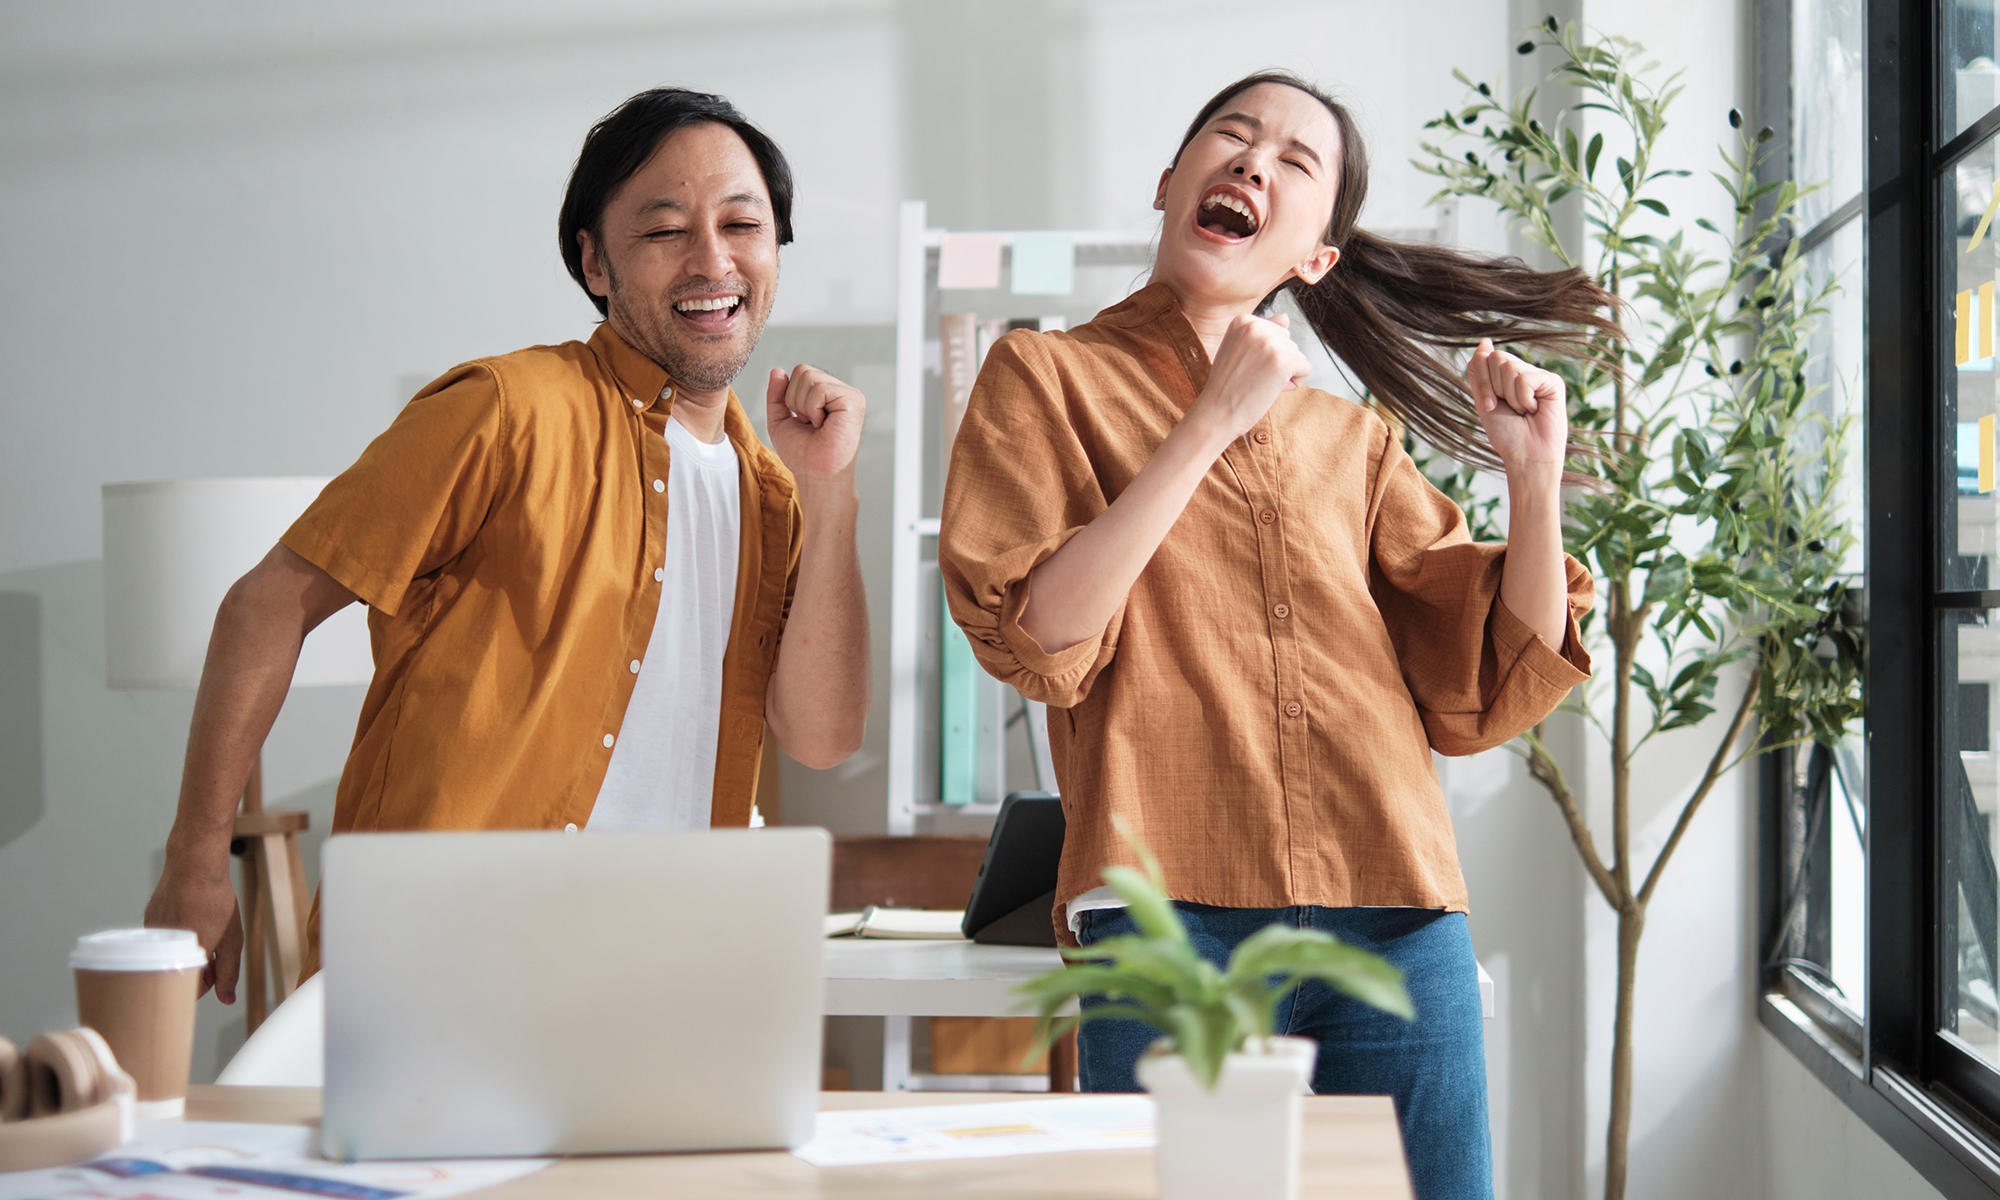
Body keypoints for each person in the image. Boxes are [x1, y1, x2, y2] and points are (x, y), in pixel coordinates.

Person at [938, 71, 1617, 1200]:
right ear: (1168, 184)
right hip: (1163, 921)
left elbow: (1483, 683)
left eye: (1296, 164)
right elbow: (1042, 642)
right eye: (1231, 136)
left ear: (1314, 257)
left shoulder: (1352, 439)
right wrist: (1206, 422)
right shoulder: (1041, 377)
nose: (1254, 163)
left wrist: (1533, 480)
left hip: (1395, 907)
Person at [143, 88, 870, 996]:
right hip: (445, 963)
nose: (712, 260)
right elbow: (265, 606)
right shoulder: (503, 409)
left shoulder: (772, 489)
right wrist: (197, 863)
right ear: (594, 261)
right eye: (664, 231)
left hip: (666, 969)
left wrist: (830, 488)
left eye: (741, 224)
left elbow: (822, 736)